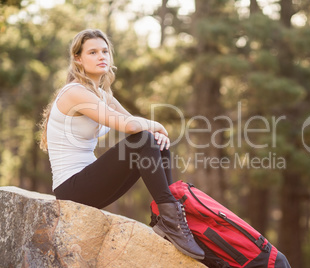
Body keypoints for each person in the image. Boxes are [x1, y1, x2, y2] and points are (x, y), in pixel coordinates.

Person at [39, 29, 204, 260]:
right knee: (146, 139)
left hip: (90, 186)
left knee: (156, 142)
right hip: (71, 189)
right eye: (93, 52)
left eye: (105, 51)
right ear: (78, 58)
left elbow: (137, 126)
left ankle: (168, 215)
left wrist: (156, 132)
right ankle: (170, 218)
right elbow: (129, 127)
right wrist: (157, 125)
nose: (101, 56)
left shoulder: (103, 94)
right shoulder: (74, 93)